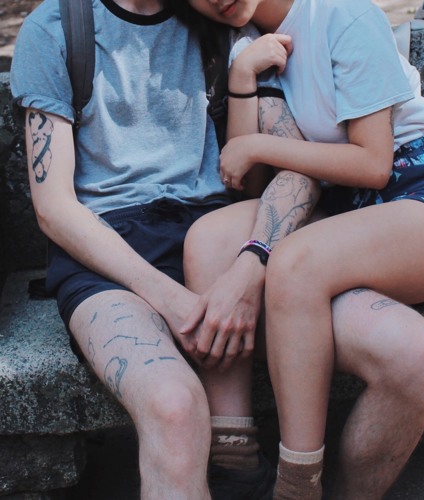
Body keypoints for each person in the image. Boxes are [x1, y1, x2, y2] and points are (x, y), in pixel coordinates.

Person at [180, 0, 424, 498]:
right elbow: (251, 183)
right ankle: (235, 457)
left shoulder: (341, 14)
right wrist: (242, 78)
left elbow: (374, 164)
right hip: (343, 203)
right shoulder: (249, 46)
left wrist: (258, 146)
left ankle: (297, 483)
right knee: (210, 238)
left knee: (296, 263)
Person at [8, 1, 307, 498]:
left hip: (212, 237)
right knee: (174, 406)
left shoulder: (220, 16)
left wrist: (252, 263)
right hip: (105, 249)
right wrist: (170, 299)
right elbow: (54, 208)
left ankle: (242, 466)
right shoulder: (58, 27)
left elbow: (290, 167)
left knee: (395, 348)